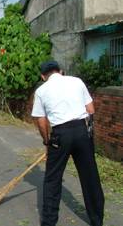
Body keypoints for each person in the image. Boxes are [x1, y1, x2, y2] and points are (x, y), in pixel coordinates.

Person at [31, 61, 104, 226]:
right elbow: (91, 110)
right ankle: (97, 220)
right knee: (90, 177)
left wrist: (47, 141)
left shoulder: (41, 90)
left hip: (60, 135)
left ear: (43, 76)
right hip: (81, 131)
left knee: (52, 179)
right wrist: (87, 134)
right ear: (61, 71)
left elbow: (41, 120)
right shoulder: (77, 81)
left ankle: (49, 222)